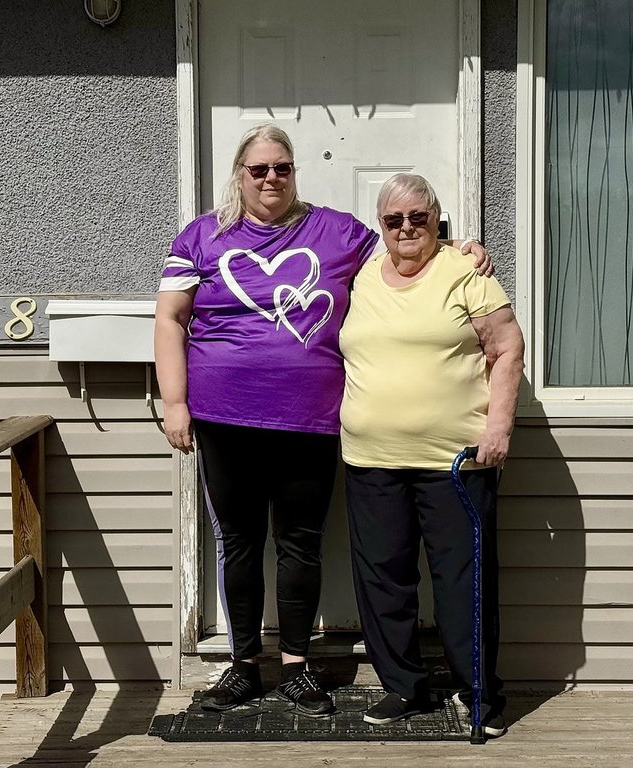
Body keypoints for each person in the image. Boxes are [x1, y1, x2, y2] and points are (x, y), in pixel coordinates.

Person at [154, 125, 492, 717]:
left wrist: (460, 245)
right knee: (238, 542)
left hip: (308, 420)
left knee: (300, 545)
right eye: (258, 169)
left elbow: (406, 244)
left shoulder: (337, 232)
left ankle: (295, 667)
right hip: (224, 417)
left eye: (282, 168)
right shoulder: (201, 237)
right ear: (240, 174)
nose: (270, 179)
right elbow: (170, 321)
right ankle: (241, 665)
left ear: (294, 172)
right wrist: (175, 402)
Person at [339, 172, 525, 736]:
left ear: (436, 219)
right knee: (383, 581)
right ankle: (403, 689)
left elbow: (507, 347)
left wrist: (499, 428)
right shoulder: (361, 275)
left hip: (455, 460)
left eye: (418, 217)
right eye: (394, 220)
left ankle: (480, 695)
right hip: (370, 458)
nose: (406, 229)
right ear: (381, 225)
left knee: (460, 581)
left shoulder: (465, 271)